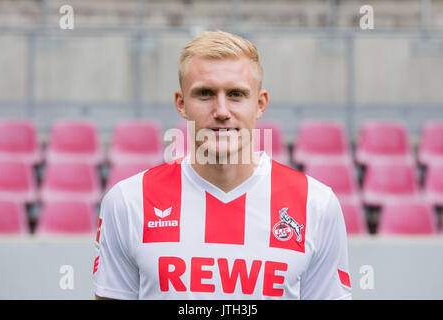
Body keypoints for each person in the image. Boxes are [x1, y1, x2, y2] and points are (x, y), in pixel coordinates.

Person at [93, 30, 352, 300]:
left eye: (236, 94)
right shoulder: (128, 202)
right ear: (181, 104)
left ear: (260, 104)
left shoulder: (317, 205)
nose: (222, 111)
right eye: (205, 94)